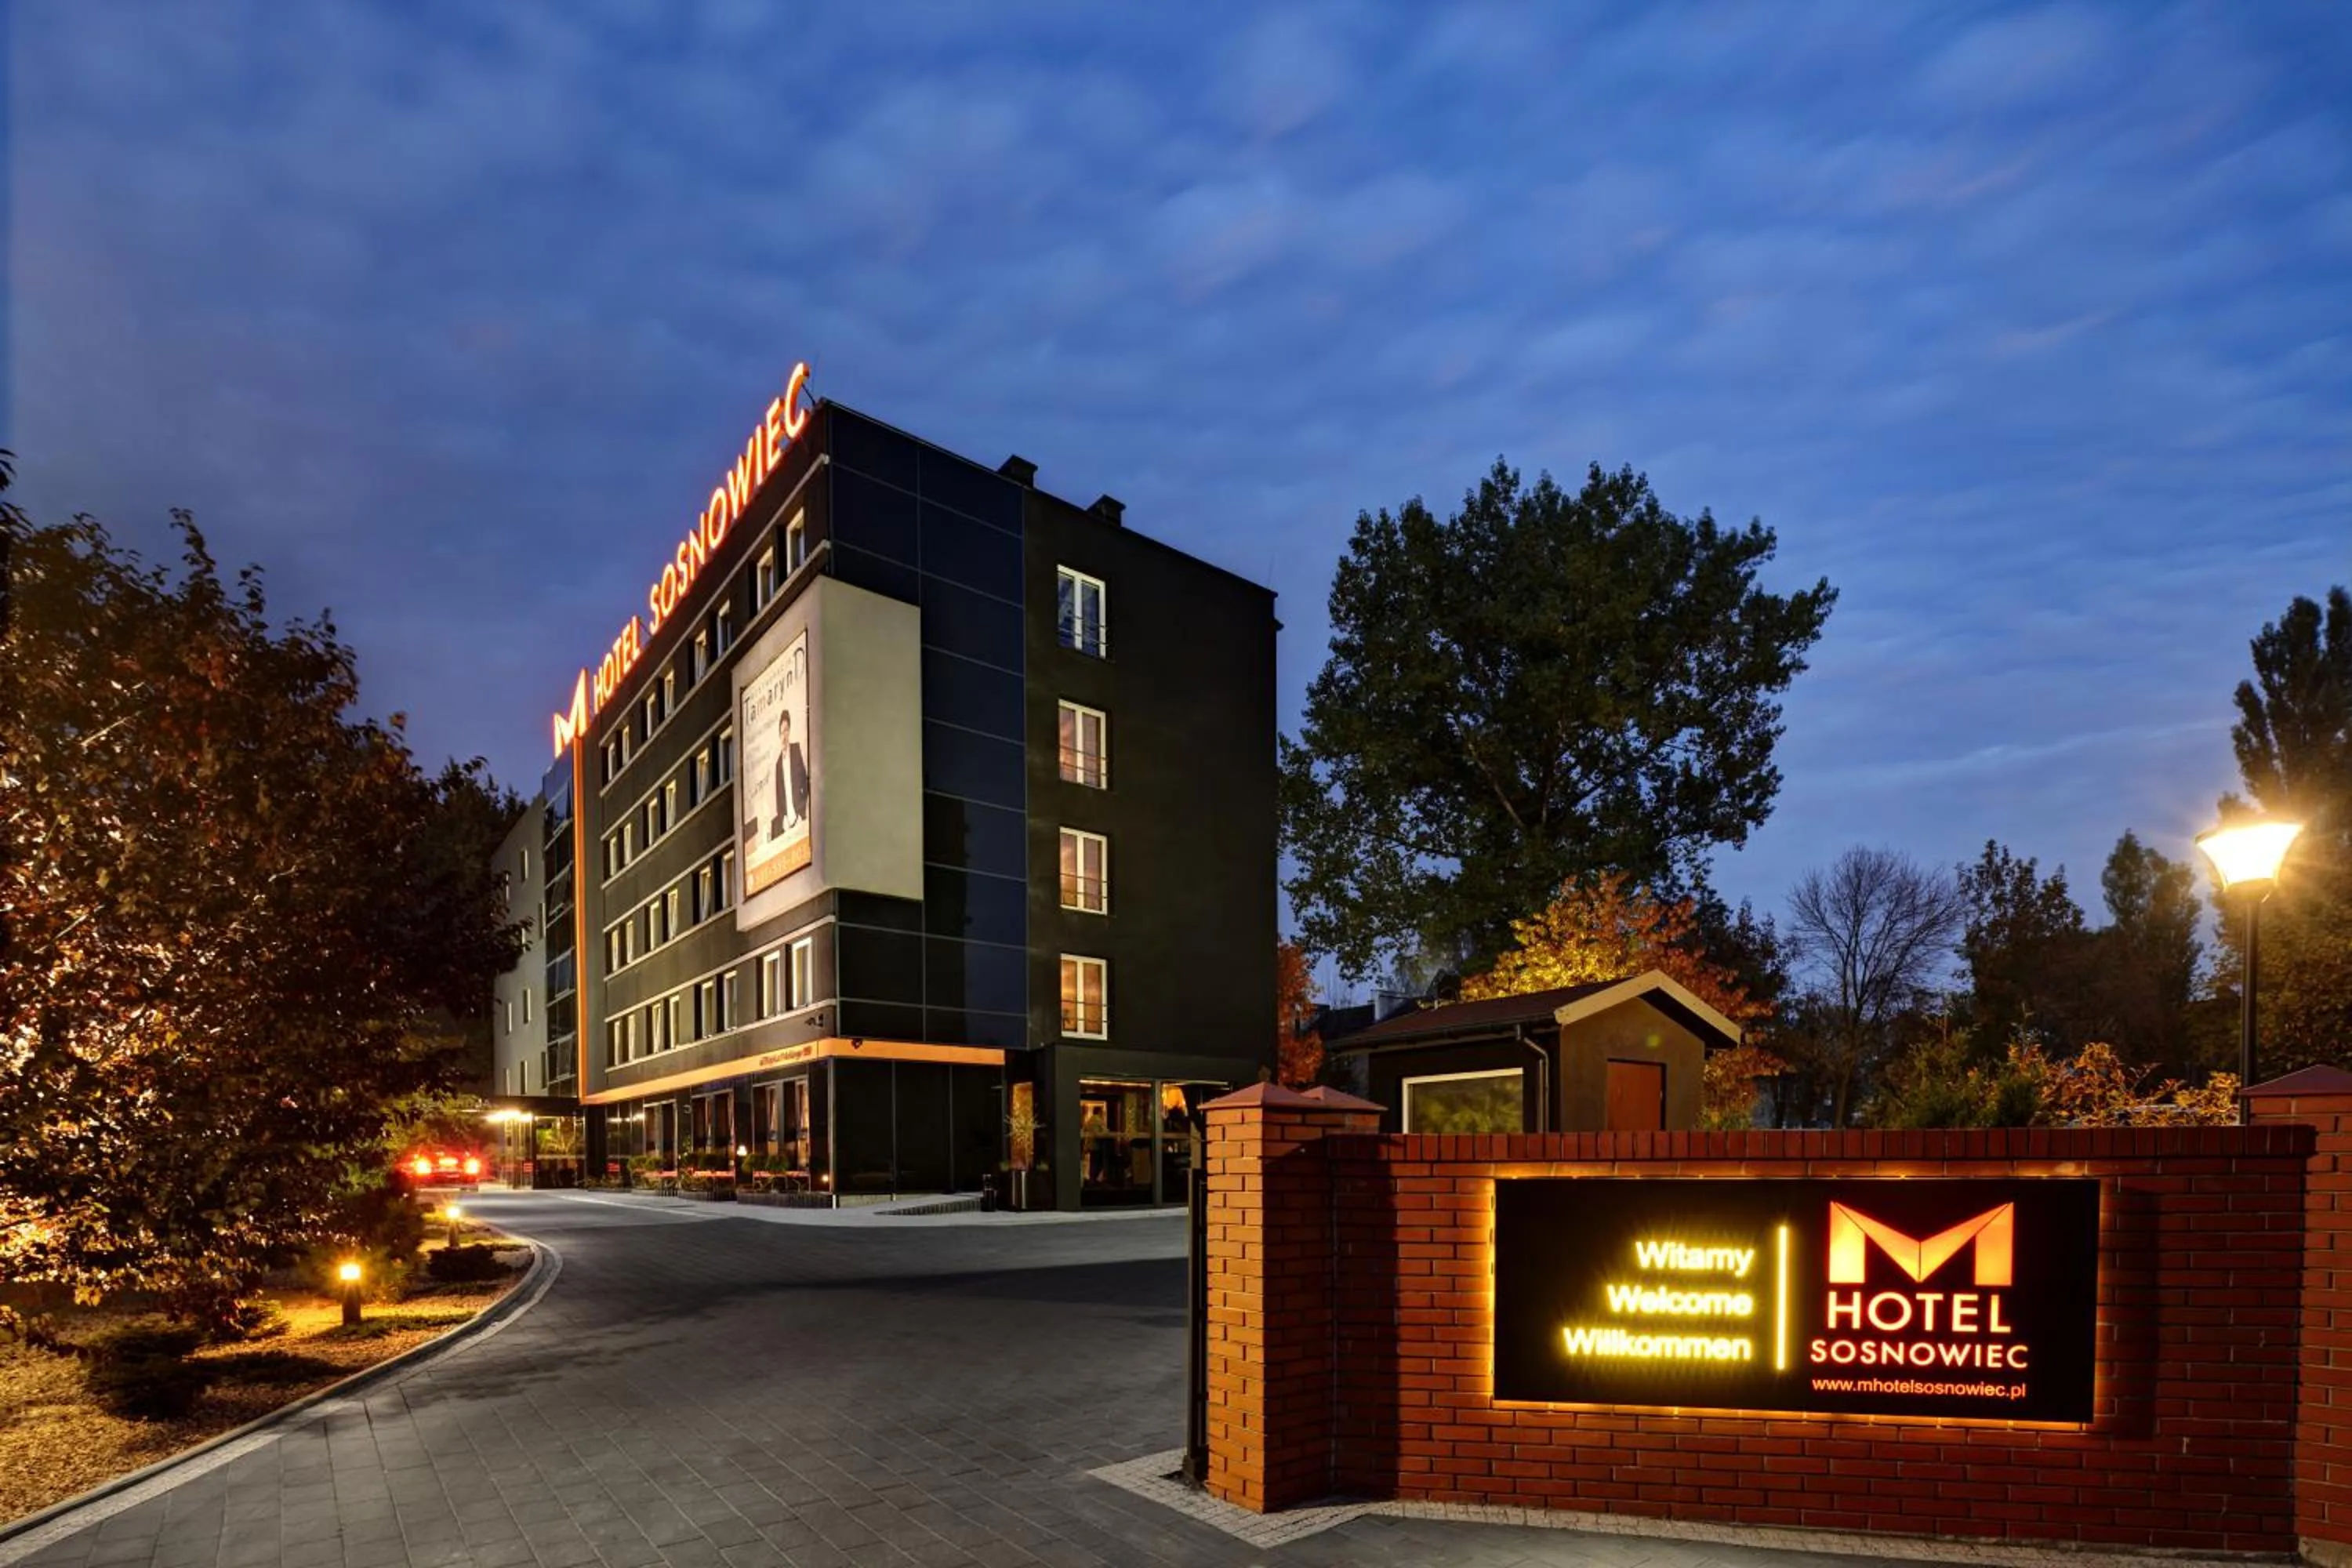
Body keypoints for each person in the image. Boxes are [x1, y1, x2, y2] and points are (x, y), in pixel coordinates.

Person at [767, 706, 810, 840]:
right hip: (787, 823)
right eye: (781, 732)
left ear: (789, 731)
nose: (784, 735)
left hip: (800, 817)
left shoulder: (796, 750)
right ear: (779, 735)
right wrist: (783, 818)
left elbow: (805, 780)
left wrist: (802, 810)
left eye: (786, 730)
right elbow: (779, 798)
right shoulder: (778, 764)